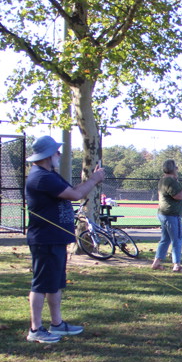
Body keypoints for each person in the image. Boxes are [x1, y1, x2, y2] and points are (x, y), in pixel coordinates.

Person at [24, 135, 105, 343]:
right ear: (48, 155)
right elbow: (75, 195)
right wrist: (95, 179)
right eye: (56, 152)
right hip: (45, 239)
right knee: (41, 284)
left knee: (54, 283)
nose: (59, 155)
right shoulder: (42, 177)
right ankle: (35, 329)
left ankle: (57, 324)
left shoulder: (50, 174)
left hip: (55, 239)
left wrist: (91, 179)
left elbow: (73, 191)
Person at [151, 159, 182, 272]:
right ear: (173, 169)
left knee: (165, 239)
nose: (177, 169)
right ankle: (177, 265)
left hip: (164, 213)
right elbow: (178, 196)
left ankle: (156, 263)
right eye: (176, 167)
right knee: (177, 239)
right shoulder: (170, 181)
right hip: (171, 214)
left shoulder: (163, 180)